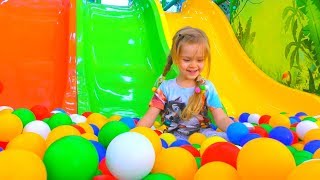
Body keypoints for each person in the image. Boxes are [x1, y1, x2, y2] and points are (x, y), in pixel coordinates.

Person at [137, 26, 234, 140]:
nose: (193, 65)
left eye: (200, 60)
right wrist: (136, 133)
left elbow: (220, 117)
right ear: (176, 58)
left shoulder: (207, 87)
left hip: (201, 135)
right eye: (187, 60)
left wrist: (233, 128)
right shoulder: (166, 88)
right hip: (171, 136)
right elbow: (150, 116)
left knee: (223, 140)